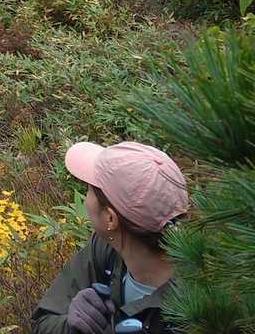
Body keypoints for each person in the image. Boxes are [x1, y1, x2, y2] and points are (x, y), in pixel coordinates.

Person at [30, 141, 190, 334]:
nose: (85, 199)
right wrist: (70, 326)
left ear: (110, 218)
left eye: (89, 189)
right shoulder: (106, 248)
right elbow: (43, 322)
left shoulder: (199, 304)